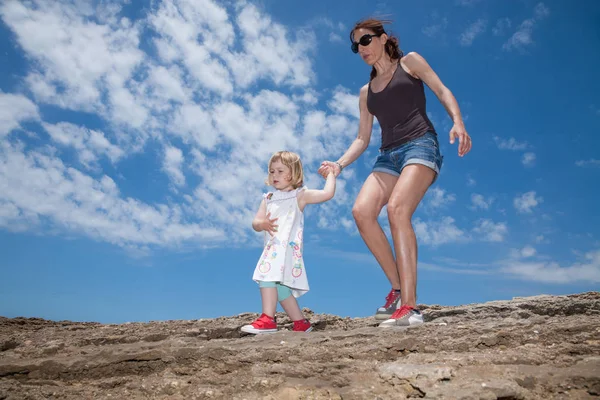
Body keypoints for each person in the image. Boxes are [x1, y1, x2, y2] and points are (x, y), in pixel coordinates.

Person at [318, 18, 472, 327]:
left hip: (420, 145)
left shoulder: (410, 62)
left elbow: (441, 90)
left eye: (365, 41)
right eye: (355, 45)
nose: (360, 49)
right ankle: (398, 288)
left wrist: (458, 120)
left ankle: (411, 307)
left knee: (398, 209)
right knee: (361, 212)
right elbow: (362, 138)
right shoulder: (366, 93)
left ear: (383, 38)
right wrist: (339, 163)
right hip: (387, 157)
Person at [241, 151, 336, 334]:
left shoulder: (299, 196)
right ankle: (301, 323)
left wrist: (331, 174)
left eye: (279, 171)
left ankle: (268, 319)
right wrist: (262, 224)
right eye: (271, 171)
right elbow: (256, 222)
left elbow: (327, 194)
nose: (274, 175)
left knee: (266, 275)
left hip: (287, 250)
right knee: (281, 288)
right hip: (273, 248)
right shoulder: (268, 199)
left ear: (293, 173)